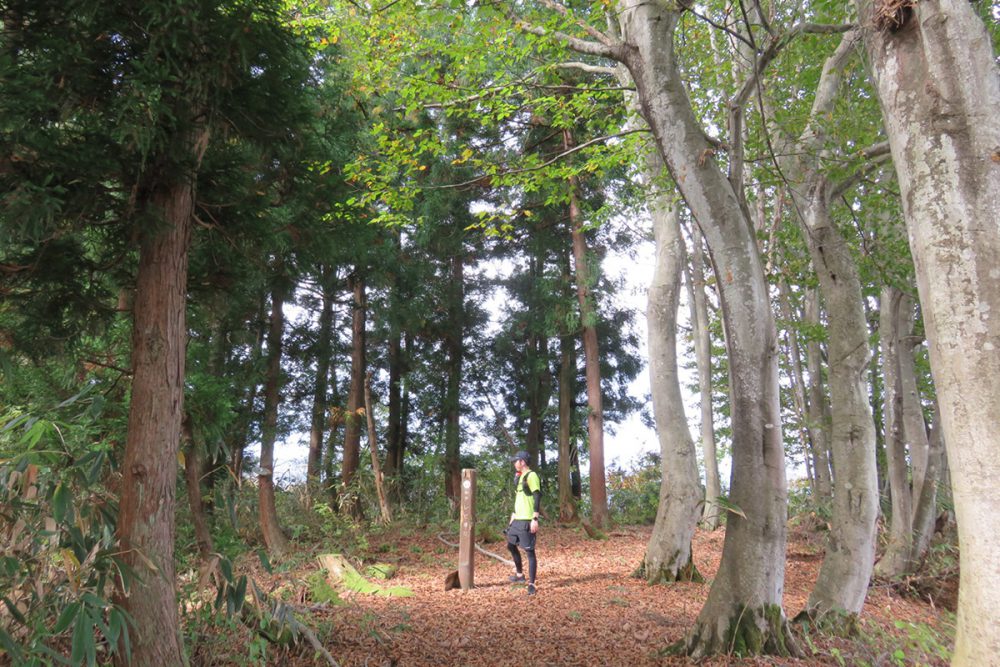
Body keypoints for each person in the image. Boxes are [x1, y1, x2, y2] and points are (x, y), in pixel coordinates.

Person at [506, 450, 540, 595]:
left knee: (529, 551)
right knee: (511, 545)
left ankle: (532, 584)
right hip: (517, 519)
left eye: (516, 460)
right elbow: (519, 498)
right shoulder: (520, 477)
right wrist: (513, 514)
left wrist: (535, 519)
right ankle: (520, 575)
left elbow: (537, 496)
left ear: (522, 462)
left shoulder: (531, 476)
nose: (514, 463)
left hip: (527, 519)